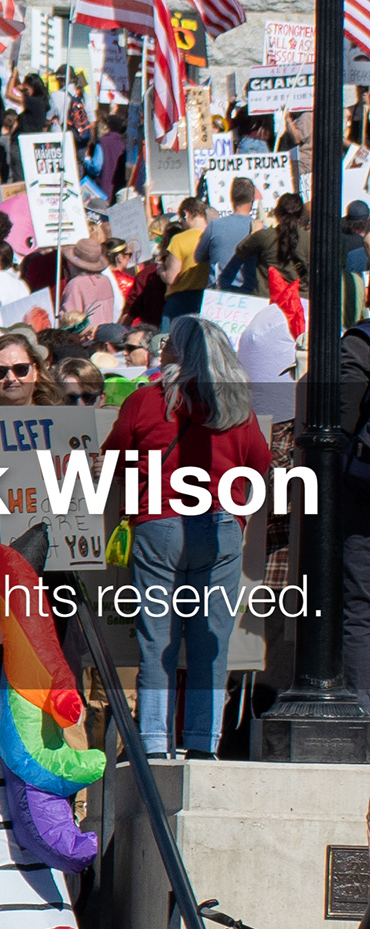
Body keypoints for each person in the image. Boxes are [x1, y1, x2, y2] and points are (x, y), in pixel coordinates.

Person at [108, 313, 267, 759]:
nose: (161, 349)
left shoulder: (146, 402)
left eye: (167, 343)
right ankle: (203, 743)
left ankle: (155, 743)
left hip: (158, 526)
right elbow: (258, 464)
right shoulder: (239, 410)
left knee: (156, 641)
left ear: (180, 352)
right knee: (209, 643)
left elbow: (117, 456)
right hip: (220, 529)